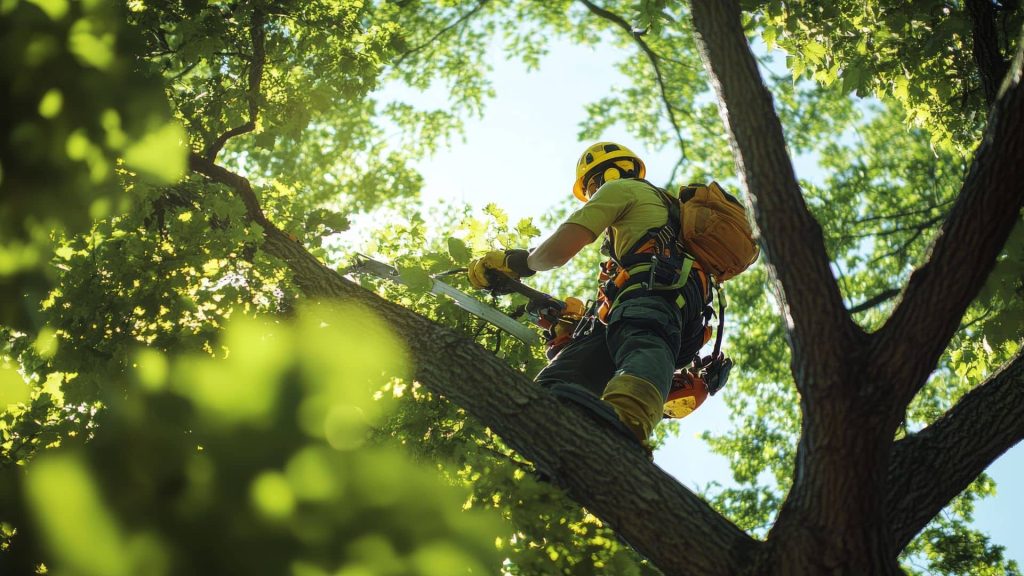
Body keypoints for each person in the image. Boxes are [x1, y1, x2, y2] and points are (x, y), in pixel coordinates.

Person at [468, 142, 713, 446]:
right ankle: (551, 427)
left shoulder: (623, 188)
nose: (594, 192)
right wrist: (572, 328)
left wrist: (519, 262)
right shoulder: (654, 219)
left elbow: (558, 251)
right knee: (565, 374)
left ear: (607, 174)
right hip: (660, 311)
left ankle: (625, 426)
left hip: (654, 297)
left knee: (642, 340)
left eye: (593, 186)